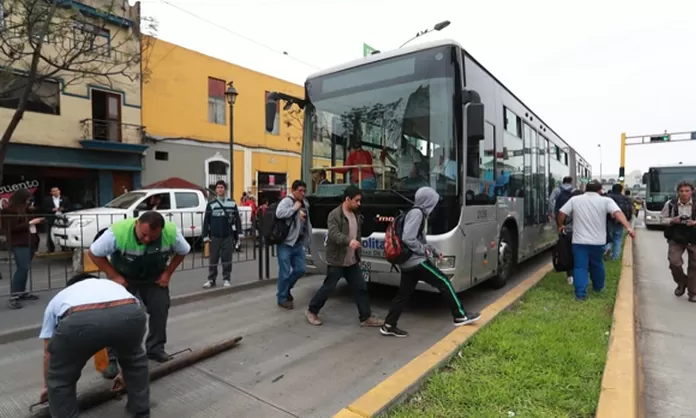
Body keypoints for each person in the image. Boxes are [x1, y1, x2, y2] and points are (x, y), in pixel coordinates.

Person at [38, 273, 150, 418]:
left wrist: (49, 387)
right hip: (128, 311)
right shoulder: (112, 286)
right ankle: (140, 413)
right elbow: (130, 345)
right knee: (135, 362)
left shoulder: (61, 297)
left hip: (79, 320)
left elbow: (48, 353)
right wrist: (125, 374)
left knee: (61, 378)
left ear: (71, 286)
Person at [87, 211, 191, 366]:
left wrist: (167, 273)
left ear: (160, 231)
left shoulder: (171, 232)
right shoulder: (117, 232)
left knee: (160, 308)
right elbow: (94, 253)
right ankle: (112, 357)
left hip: (153, 278)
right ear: (136, 224)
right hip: (124, 278)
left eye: (153, 237)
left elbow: (184, 251)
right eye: (144, 235)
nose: (147, 239)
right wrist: (114, 276)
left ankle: (155, 349)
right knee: (117, 316)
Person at [381, 187, 481, 337]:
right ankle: (460, 315)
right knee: (444, 282)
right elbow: (408, 238)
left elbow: (418, 239)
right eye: (433, 201)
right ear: (428, 201)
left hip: (408, 263)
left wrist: (433, 251)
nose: (434, 205)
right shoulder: (417, 213)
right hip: (416, 262)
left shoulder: (415, 212)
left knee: (403, 295)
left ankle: (388, 325)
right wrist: (423, 250)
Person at [305, 186, 383, 327]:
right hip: (337, 260)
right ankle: (312, 310)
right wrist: (349, 241)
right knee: (328, 287)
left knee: (361, 287)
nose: (359, 203)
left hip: (352, 260)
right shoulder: (334, 215)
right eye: (356, 200)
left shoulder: (356, 214)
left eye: (360, 200)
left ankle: (365, 317)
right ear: (347, 199)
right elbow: (334, 234)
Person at [557, 180, 635, 301]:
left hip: (579, 242)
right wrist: (628, 227)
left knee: (580, 267)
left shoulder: (575, 200)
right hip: (598, 242)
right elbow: (618, 213)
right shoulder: (606, 201)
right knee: (597, 264)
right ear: (600, 190)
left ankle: (580, 295)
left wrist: (560, 225)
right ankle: (598, 288)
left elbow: (561, 212)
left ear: (586, 189)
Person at [1, 189, 44, 309]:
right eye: (28, 199)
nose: (30, 201)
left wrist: (32, 213)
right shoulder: (8, 210)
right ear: (21, 198)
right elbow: (12, 228)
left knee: (25, 268)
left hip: (31, 241)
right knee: (22, 268)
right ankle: (14, 296)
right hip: (19, 243)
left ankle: (22, 292)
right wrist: (31, 222)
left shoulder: (26, 209)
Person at [274, 180, 311, 309]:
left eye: (304, 191)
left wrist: (308, 238)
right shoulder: (287, 201)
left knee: (300, 269)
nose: (302, 193)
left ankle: (285, 289)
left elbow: (307, 222)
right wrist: (294, 208)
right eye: (300, 190)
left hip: (298, 243)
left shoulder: (305, 203)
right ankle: (282, 298)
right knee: (284, 272)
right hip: (286, 243)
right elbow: (279, 213)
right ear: (293, 190)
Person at [202, 180, 242, 289]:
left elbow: (237, 219)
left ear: (225, 189)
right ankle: (211, 279)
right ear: (216, 190)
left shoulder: (232, 203)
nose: (220, 189)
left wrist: (240, 233)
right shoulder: (211, 205)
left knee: (227, 259)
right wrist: (205, 236)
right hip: (214, 236)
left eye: (222, 187)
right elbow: (206, 221)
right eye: (218, 187)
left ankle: (226, 279)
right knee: (213, 259)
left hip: (228, 236)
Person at [661, 181, 696, 301]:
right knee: (674, 262)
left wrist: (694, 223)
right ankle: (682, 282)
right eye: (681, 191)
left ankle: (693, 293)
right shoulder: (670, 204)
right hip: (676, 237)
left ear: (692, 191)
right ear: (678, 192)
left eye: (687, 191)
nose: (684, 193)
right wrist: (672, 220)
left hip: (694, 238)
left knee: (694, 266)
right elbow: (662, 220)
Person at [605, 184, 633, 260]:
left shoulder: (608, 197)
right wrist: (627, 219)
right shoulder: (625, 198)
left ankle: (608, 248)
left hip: (609, 219)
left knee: (608, 236)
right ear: (621, 190)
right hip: (620, 220)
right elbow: (630, 210)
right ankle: (615, 257)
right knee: (618, 238)